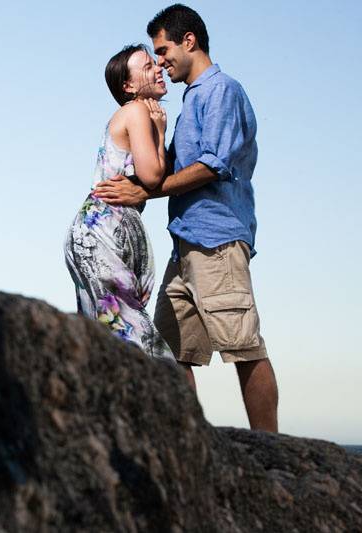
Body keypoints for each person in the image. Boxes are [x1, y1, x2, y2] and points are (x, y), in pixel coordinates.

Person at [94, 4, 279, 432]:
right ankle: (189, 439)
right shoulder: (192, 99)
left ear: (189, 42)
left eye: (162, 50)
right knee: (170, 352)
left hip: (217, 240)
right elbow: (170, 168)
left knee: (244, 347)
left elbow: (213, 165)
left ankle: (273, 448)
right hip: (185, 244)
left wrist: (147, 190)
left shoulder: (220, 91)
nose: (160, 61)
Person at [63, 44, 175, 362]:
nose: (158, 69)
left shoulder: (132, 114)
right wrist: (161, 134)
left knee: (107, 339)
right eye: (147, 66)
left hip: (99, 229)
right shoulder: (137, 110)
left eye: (156, 63)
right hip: (101, 233)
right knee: (140, 341)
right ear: (128, 86)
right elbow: (152, 176)